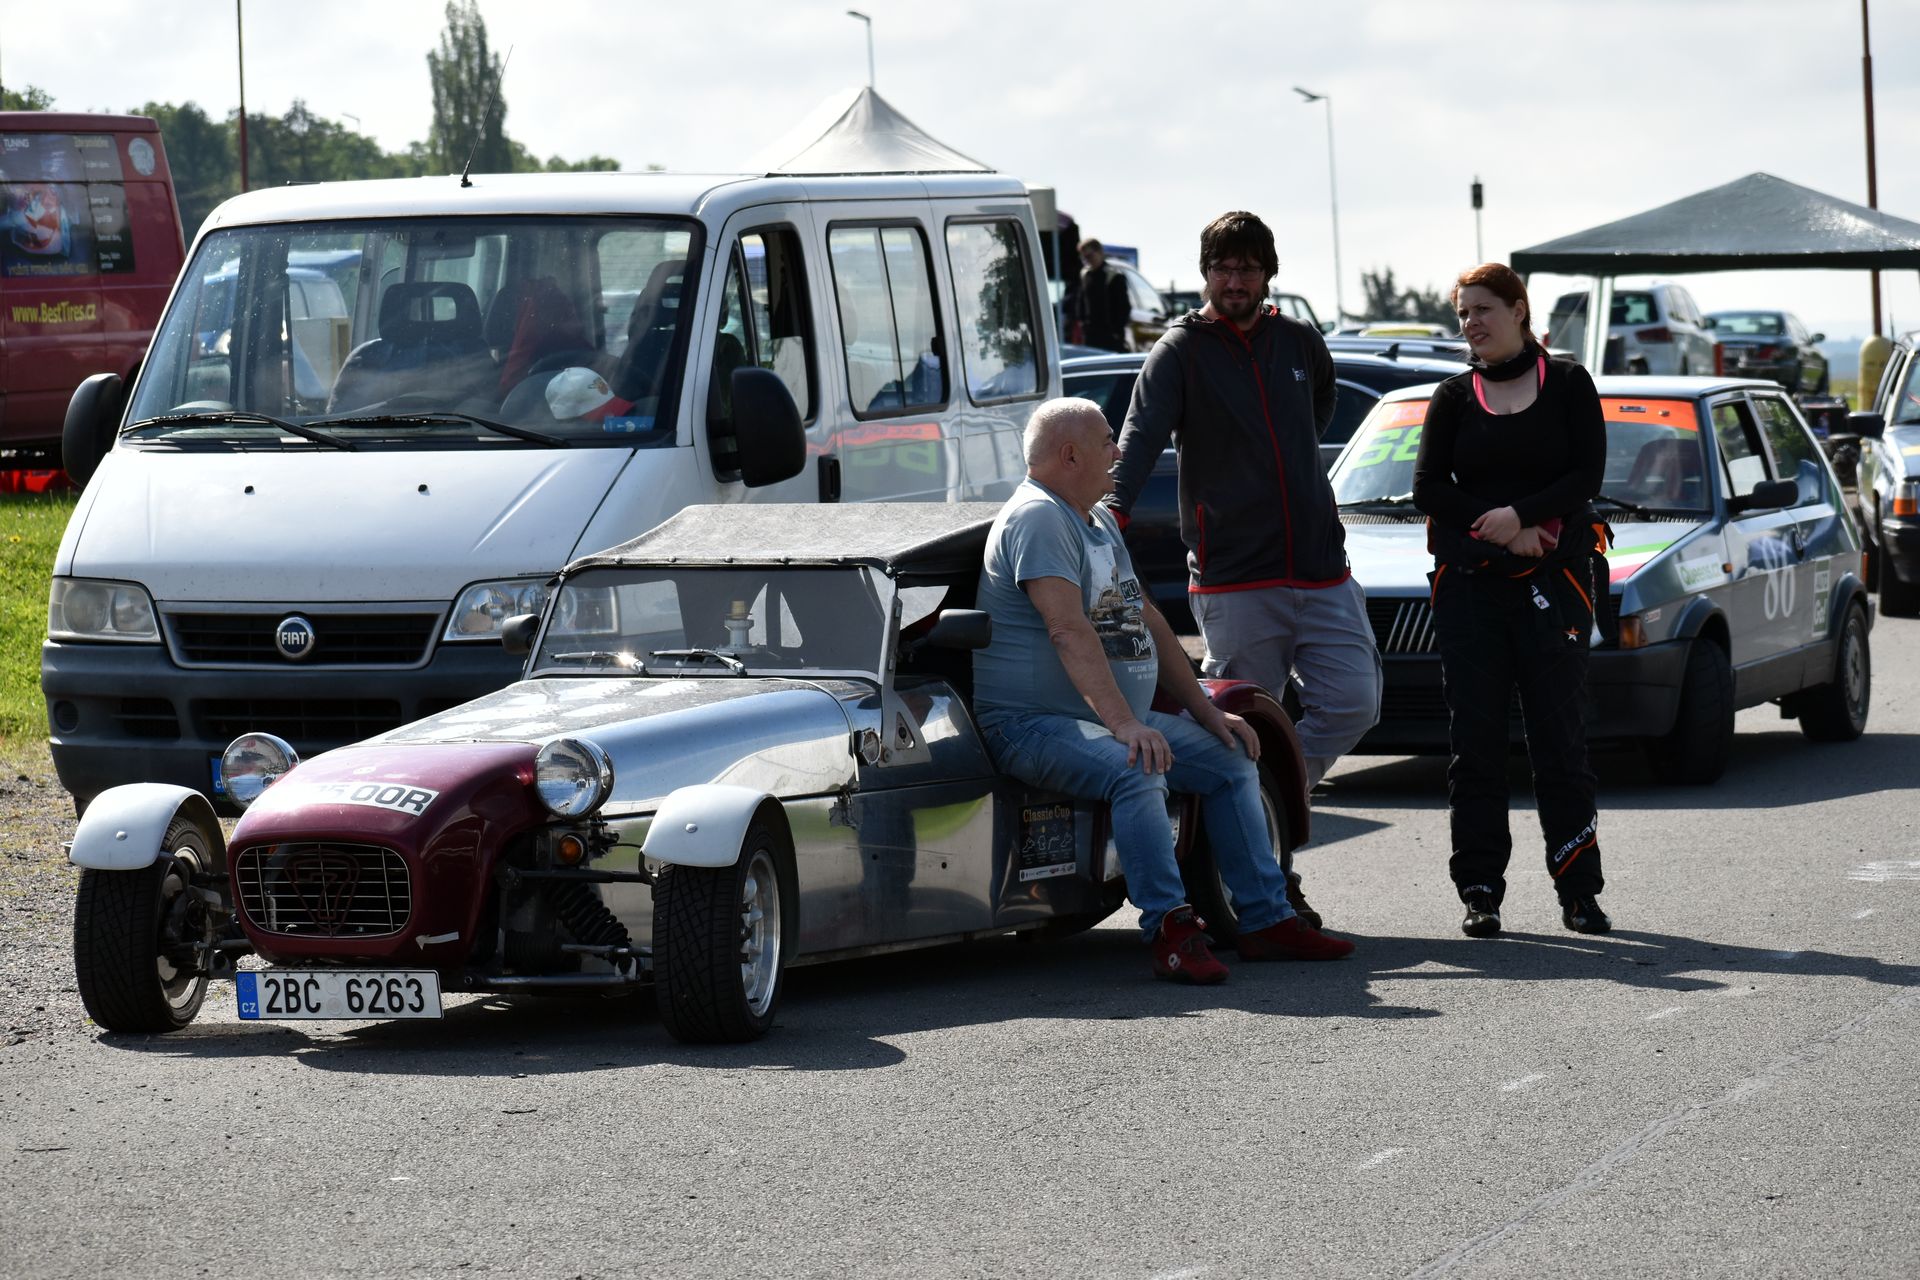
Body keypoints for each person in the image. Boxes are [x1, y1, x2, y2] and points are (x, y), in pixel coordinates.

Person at [973, 397, 1355, 984]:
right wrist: (1126, 725)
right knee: (1137, 768)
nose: (1117, 451)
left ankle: (1265, 920)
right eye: (1107, 441)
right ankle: (1171, 930)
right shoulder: (1038, 518)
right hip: (1032, 724)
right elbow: (1066, 630)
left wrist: (1205, 710)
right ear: (1070, 455)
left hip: (1100, 720)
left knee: (1230, 756)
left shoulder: (1094, 518)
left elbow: (1144, 617)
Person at [1108, 210, 1381, 927]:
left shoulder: (1299, 341)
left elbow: (1318, 408)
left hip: (1320, 565)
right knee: (1241, 726)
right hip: (1235, 576)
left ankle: (1271, 804)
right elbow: (1139, 436)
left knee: (1355, 702)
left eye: (1248, 268)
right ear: (1206, 274)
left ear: (1268, 274)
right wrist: (1110, 512)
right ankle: (1268, 882)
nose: (1235, 281)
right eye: (1223, 268)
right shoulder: (1179, 352)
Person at [1411, 262, 1613, 939]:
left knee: (1561, 743)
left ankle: (1579, 891)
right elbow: (1428, 488)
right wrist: (1499, 529)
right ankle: (1480, 892)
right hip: (1471, 589)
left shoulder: (1569, 384)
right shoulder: (1452, 396)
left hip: (1556, 587)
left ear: (1519, 310)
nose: (1471, 323)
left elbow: (1586, 475)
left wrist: (1524, 517)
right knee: (1476, 746)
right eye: (1463, 313)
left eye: (1483, 309)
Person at [1072, 239, 1131, 353]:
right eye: (1083, 258)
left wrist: (1116, 331)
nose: (1087, 261)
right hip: (1090, 335)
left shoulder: (1113, 275)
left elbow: (1124, 307)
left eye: (1089, 256)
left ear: (1100, 252)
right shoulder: (1085, 275)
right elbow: (1080, 302)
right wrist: (1082, 325)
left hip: (1111, 337)